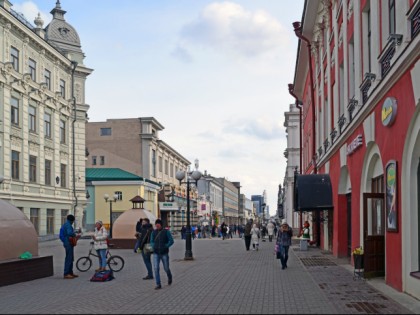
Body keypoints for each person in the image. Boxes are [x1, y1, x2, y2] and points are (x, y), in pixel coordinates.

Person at [150, 219, 174, 290]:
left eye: (158, 225)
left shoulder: (166, 232)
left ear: (161, 225)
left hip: (164, 253)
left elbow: (171, 241)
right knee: (156, 268)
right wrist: (153, 245)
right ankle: (158, 284)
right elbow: (151, 240)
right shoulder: (153, 232)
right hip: (156, 253)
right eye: (156, 225)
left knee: (166, 268)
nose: (157, 226)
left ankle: (169, 277)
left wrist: (166, 246)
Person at [60, 214, 81, 279]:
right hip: (68, 242)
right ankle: (66, 273)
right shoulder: (68, 225)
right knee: (69, 258)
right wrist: (75, 234)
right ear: (72, 220)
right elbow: (69, 233)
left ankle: (70, 273)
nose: (73, 222)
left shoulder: (66, 224)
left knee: (71, 257)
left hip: (67, 242)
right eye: (73, 221)